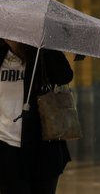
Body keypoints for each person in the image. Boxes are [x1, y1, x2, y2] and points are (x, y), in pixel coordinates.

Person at [0, 38, 73, 194]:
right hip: (6, 147)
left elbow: (65, 76)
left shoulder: (42, 53)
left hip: (43, 148)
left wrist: (46, 46)